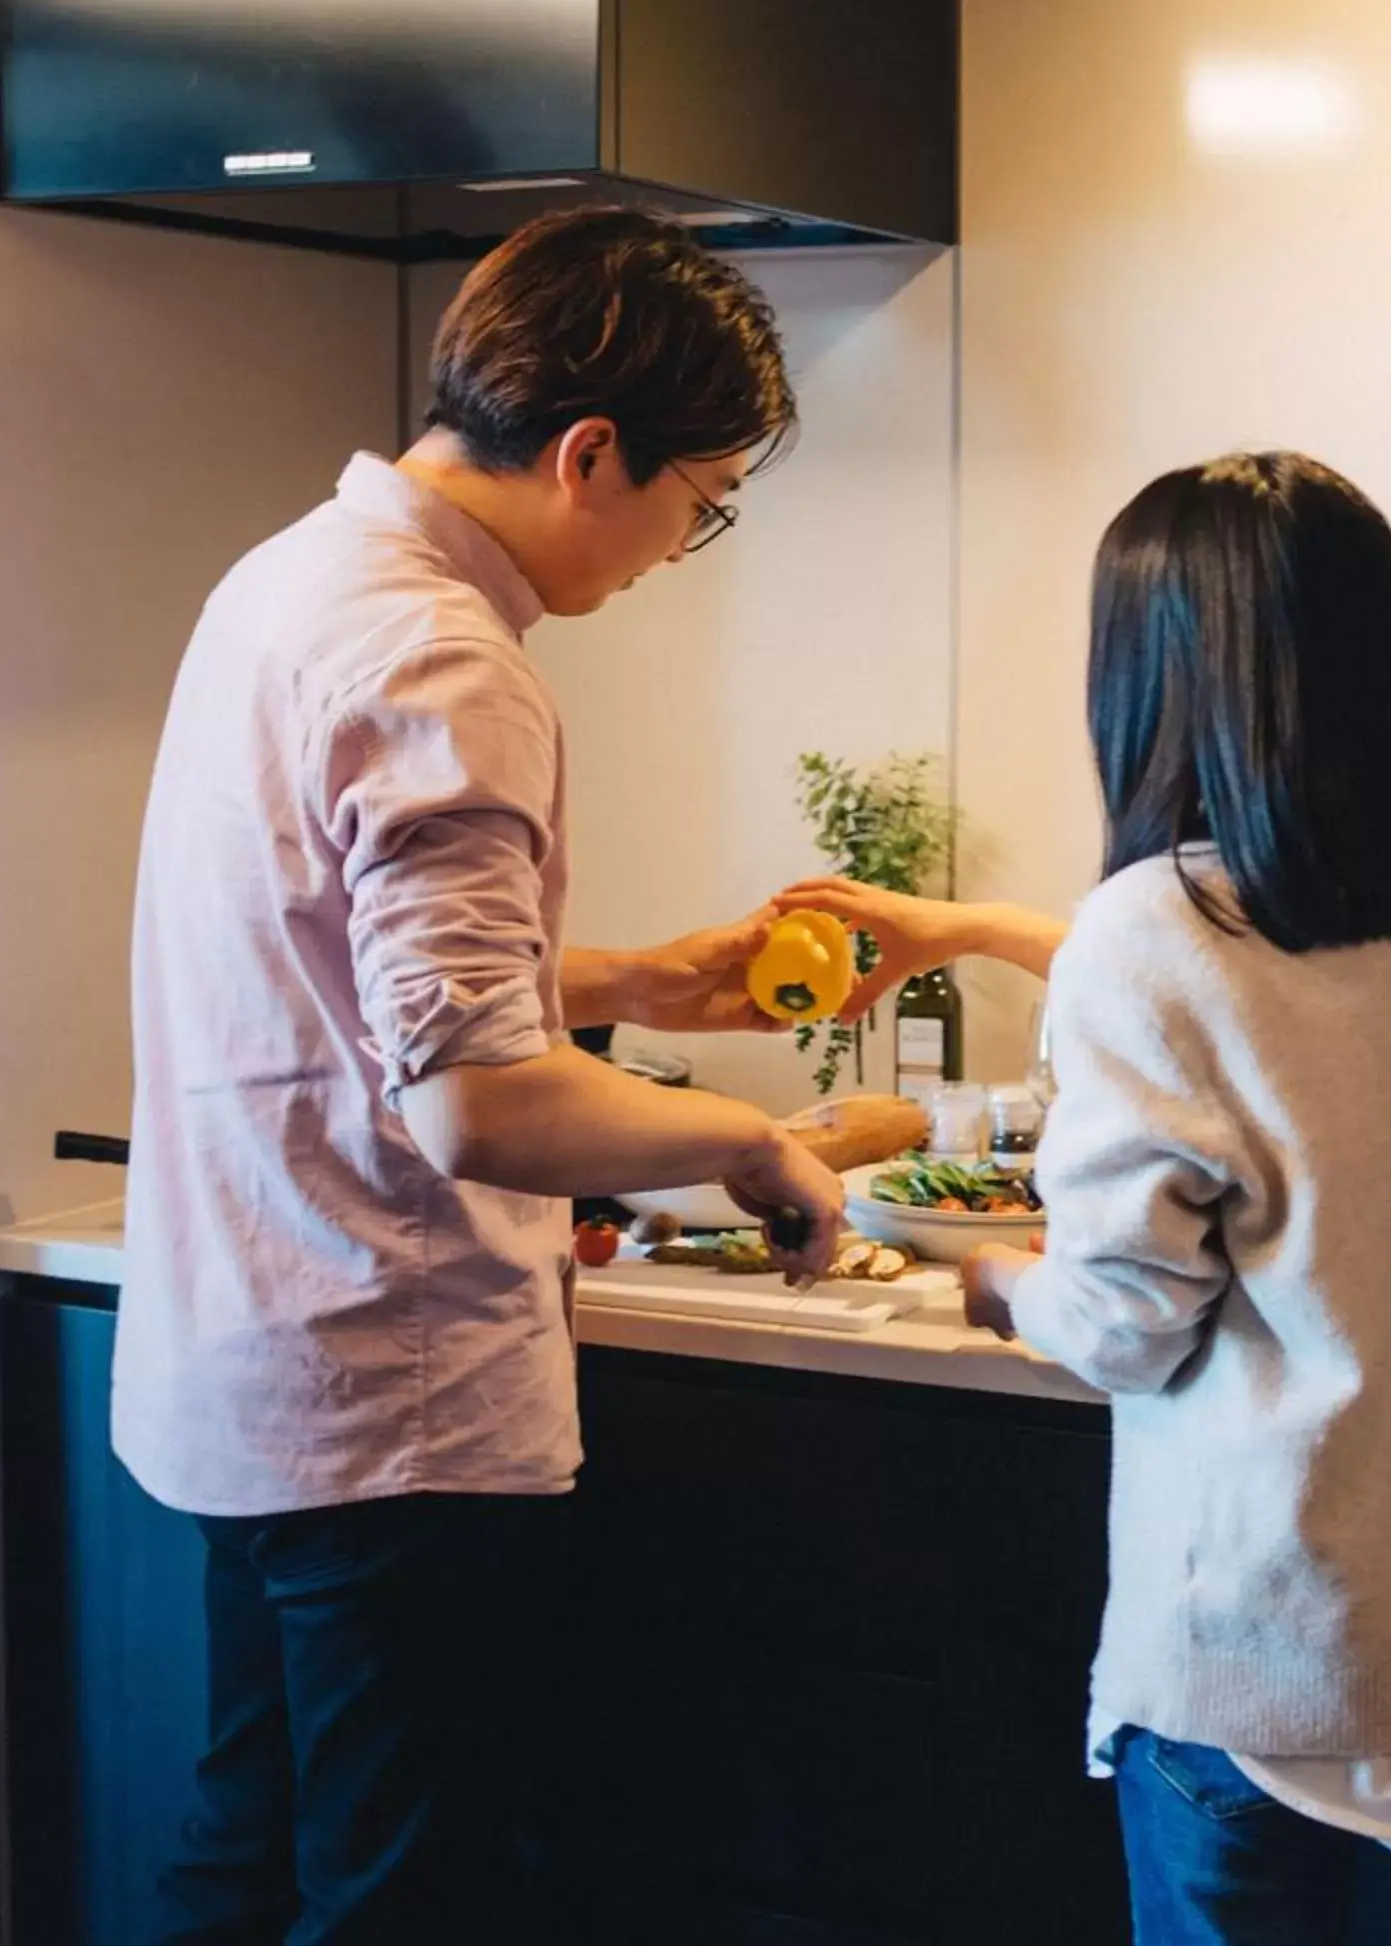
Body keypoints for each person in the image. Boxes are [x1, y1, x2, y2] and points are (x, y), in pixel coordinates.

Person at [113, 207, 913, 1946]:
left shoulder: (286, 580)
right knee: (406, 1901)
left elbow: (340, 962)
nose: (673, 548)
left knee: (240, 1859)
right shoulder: (446, 654)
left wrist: (634, 977)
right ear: (590, 452)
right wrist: (753, 1145)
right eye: (698, 507)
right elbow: (476, 1098)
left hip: (248, 1364)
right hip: (390, 1403)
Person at [782, 452, 1391, 1944]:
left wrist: (1001, 1280)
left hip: (1286, 1669)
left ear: (1151, 674)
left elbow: (1127, 1321)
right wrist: (972, 927)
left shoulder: (1150, 939)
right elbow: (1281, 992)